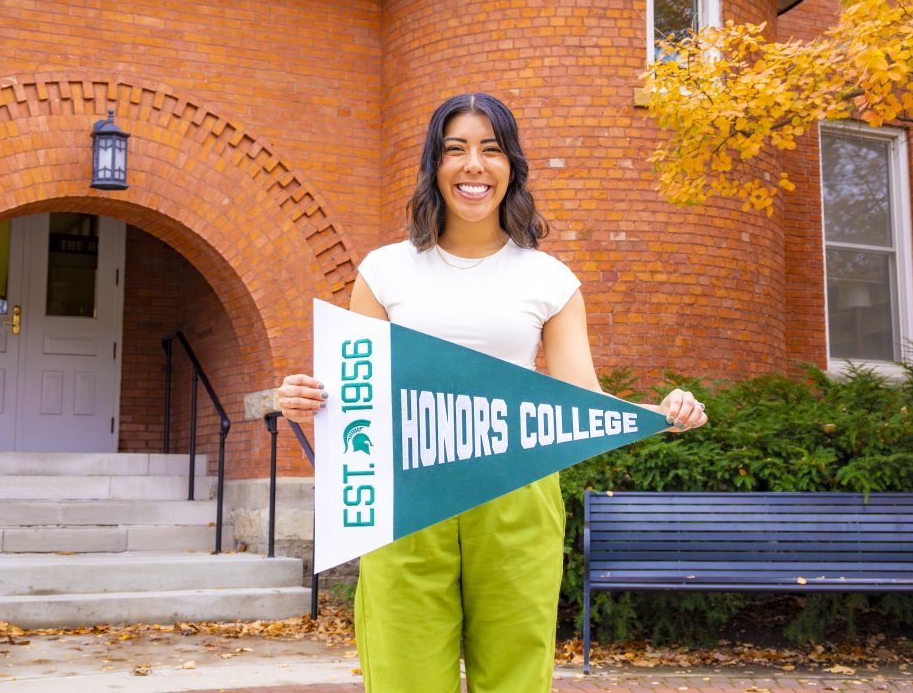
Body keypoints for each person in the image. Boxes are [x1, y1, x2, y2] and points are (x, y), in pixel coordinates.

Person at [277, 93, 707, 693]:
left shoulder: (549, 279)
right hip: (405, 495)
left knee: (514, 678)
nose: (473, 165)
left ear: (512, 168)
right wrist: (306, 398)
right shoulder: (384, 271)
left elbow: (580, 396)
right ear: (434, 167)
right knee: (403, 677)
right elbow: (356, 391)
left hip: (516, 492)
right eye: (455, 150)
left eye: (491, 149)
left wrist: (661, 413)